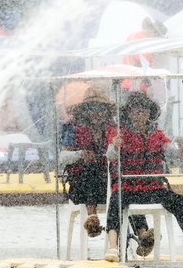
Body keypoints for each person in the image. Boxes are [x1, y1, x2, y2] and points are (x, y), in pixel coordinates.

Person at [103, 91, 183, 262]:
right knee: (115, 203)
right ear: (129, 112)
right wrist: (115, 146)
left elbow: (170, 152)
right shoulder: (119, 134)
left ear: (149, 112)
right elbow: (110, 156)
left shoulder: (158, 135)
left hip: (153, 188)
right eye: (135, 110)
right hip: (128, 188)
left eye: (144, 109)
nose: (140, 113)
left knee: (180, 201)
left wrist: (181, 151)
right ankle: (113, 248)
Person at [58, 87, 147, 241]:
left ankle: (143, 233)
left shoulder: (114, 130)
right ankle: (92, 217)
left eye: (101, 109)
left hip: (110, 186)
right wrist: (80, 155)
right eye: (92, 109)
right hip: (81, 187)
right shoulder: (74, 129)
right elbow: (63, 157)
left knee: (127, 190)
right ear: (85, 110)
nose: (97, 113)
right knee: (90, 170)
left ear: (106, 111)